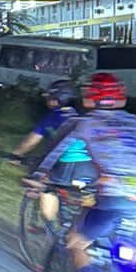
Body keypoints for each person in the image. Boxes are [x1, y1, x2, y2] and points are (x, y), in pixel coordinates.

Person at [27, 71, 136, 272]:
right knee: (133, 253)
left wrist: (37, 177)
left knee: (75, 242)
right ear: (121, 98)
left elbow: (53, 153)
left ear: (89, 98)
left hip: (114, 197)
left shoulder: (82, 123)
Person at [8, 79, 95, 225]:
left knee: (43, 184)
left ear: (56, 99)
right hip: (91, 167)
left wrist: (16, 154)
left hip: (66, 166)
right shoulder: (86, 117)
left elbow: (31, 142)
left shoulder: (55, 116)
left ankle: (50, 225)